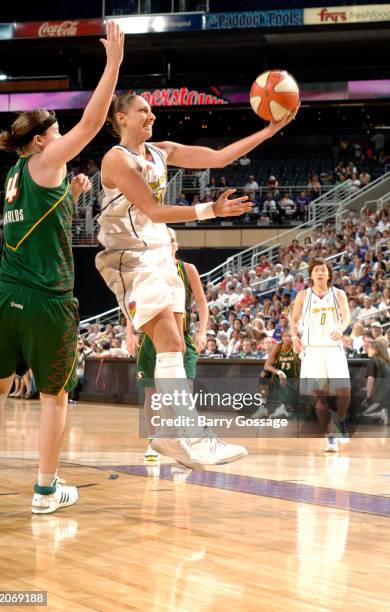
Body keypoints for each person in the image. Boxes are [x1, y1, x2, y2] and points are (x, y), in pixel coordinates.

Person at [95, 90, 298, 468]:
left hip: (158, 253)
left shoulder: (161, 151)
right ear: (121, 118)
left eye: (152, 110)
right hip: (129, 256)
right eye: (142, 110)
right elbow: (153, 209)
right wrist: (211, 209)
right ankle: (190, 435)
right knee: (169, 342)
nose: (151, 115)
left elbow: (220, 157)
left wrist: (269, 130)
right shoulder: (115, 159)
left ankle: (168, 435)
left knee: (173, 343)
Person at [0, 22, 125, 512]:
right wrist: (113, 65)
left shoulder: (16, 173)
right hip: (45, 297)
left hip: (4, 292)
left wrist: (71, 195)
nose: (64, 138)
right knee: (53, 396)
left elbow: (39, 219)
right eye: (56, 133)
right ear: (42, 141)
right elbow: (90, 124)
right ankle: (45, 489)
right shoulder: (48, 160)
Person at [127, 228, 210, 462]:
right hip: (151, 337)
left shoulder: (187, 269)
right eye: (164, 240)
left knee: (185, 390)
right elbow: (132, 300)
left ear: (176, 244)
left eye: (171, 240)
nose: (168, 244)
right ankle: (154, 442)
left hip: (181, 336)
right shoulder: (145, 269)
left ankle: (181, 439)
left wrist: (202, 331)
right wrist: (130, 331)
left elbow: (202, 304)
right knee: (152, 393)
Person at [290, 257, 351, 452]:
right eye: (316, 270)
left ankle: (340, 421)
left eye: (323, 270)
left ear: (329, 274)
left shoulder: (338, 294)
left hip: (333, 348)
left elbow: (347, 316)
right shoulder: (303, 296)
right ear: (311, 275)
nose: (320, 273)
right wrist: (293, 337)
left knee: (343, 391)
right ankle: (329, 435)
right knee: (320, 395)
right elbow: (294, 320)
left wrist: (341, 329)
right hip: (312, 349)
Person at [263, 331, 300, 418]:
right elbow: (267, 365)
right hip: (280, 377)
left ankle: (286, 408)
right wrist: (279, 372)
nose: (287, 338)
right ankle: (264, 405)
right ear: (282, 338)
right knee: (264, 374)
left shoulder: (297, 346)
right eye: (285, 336)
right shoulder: (278, 347)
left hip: (294, 378)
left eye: (289, 336)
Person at [360, 340, 390, 424]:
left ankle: (382, 413)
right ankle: (383, 412)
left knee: (361, 415)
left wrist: (368, 397)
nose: (367, 349)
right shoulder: (385, 362)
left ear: (375, 350)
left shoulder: (373, 360)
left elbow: (371, 380)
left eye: (369, 348)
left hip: (381, 397)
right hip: (386, 396)